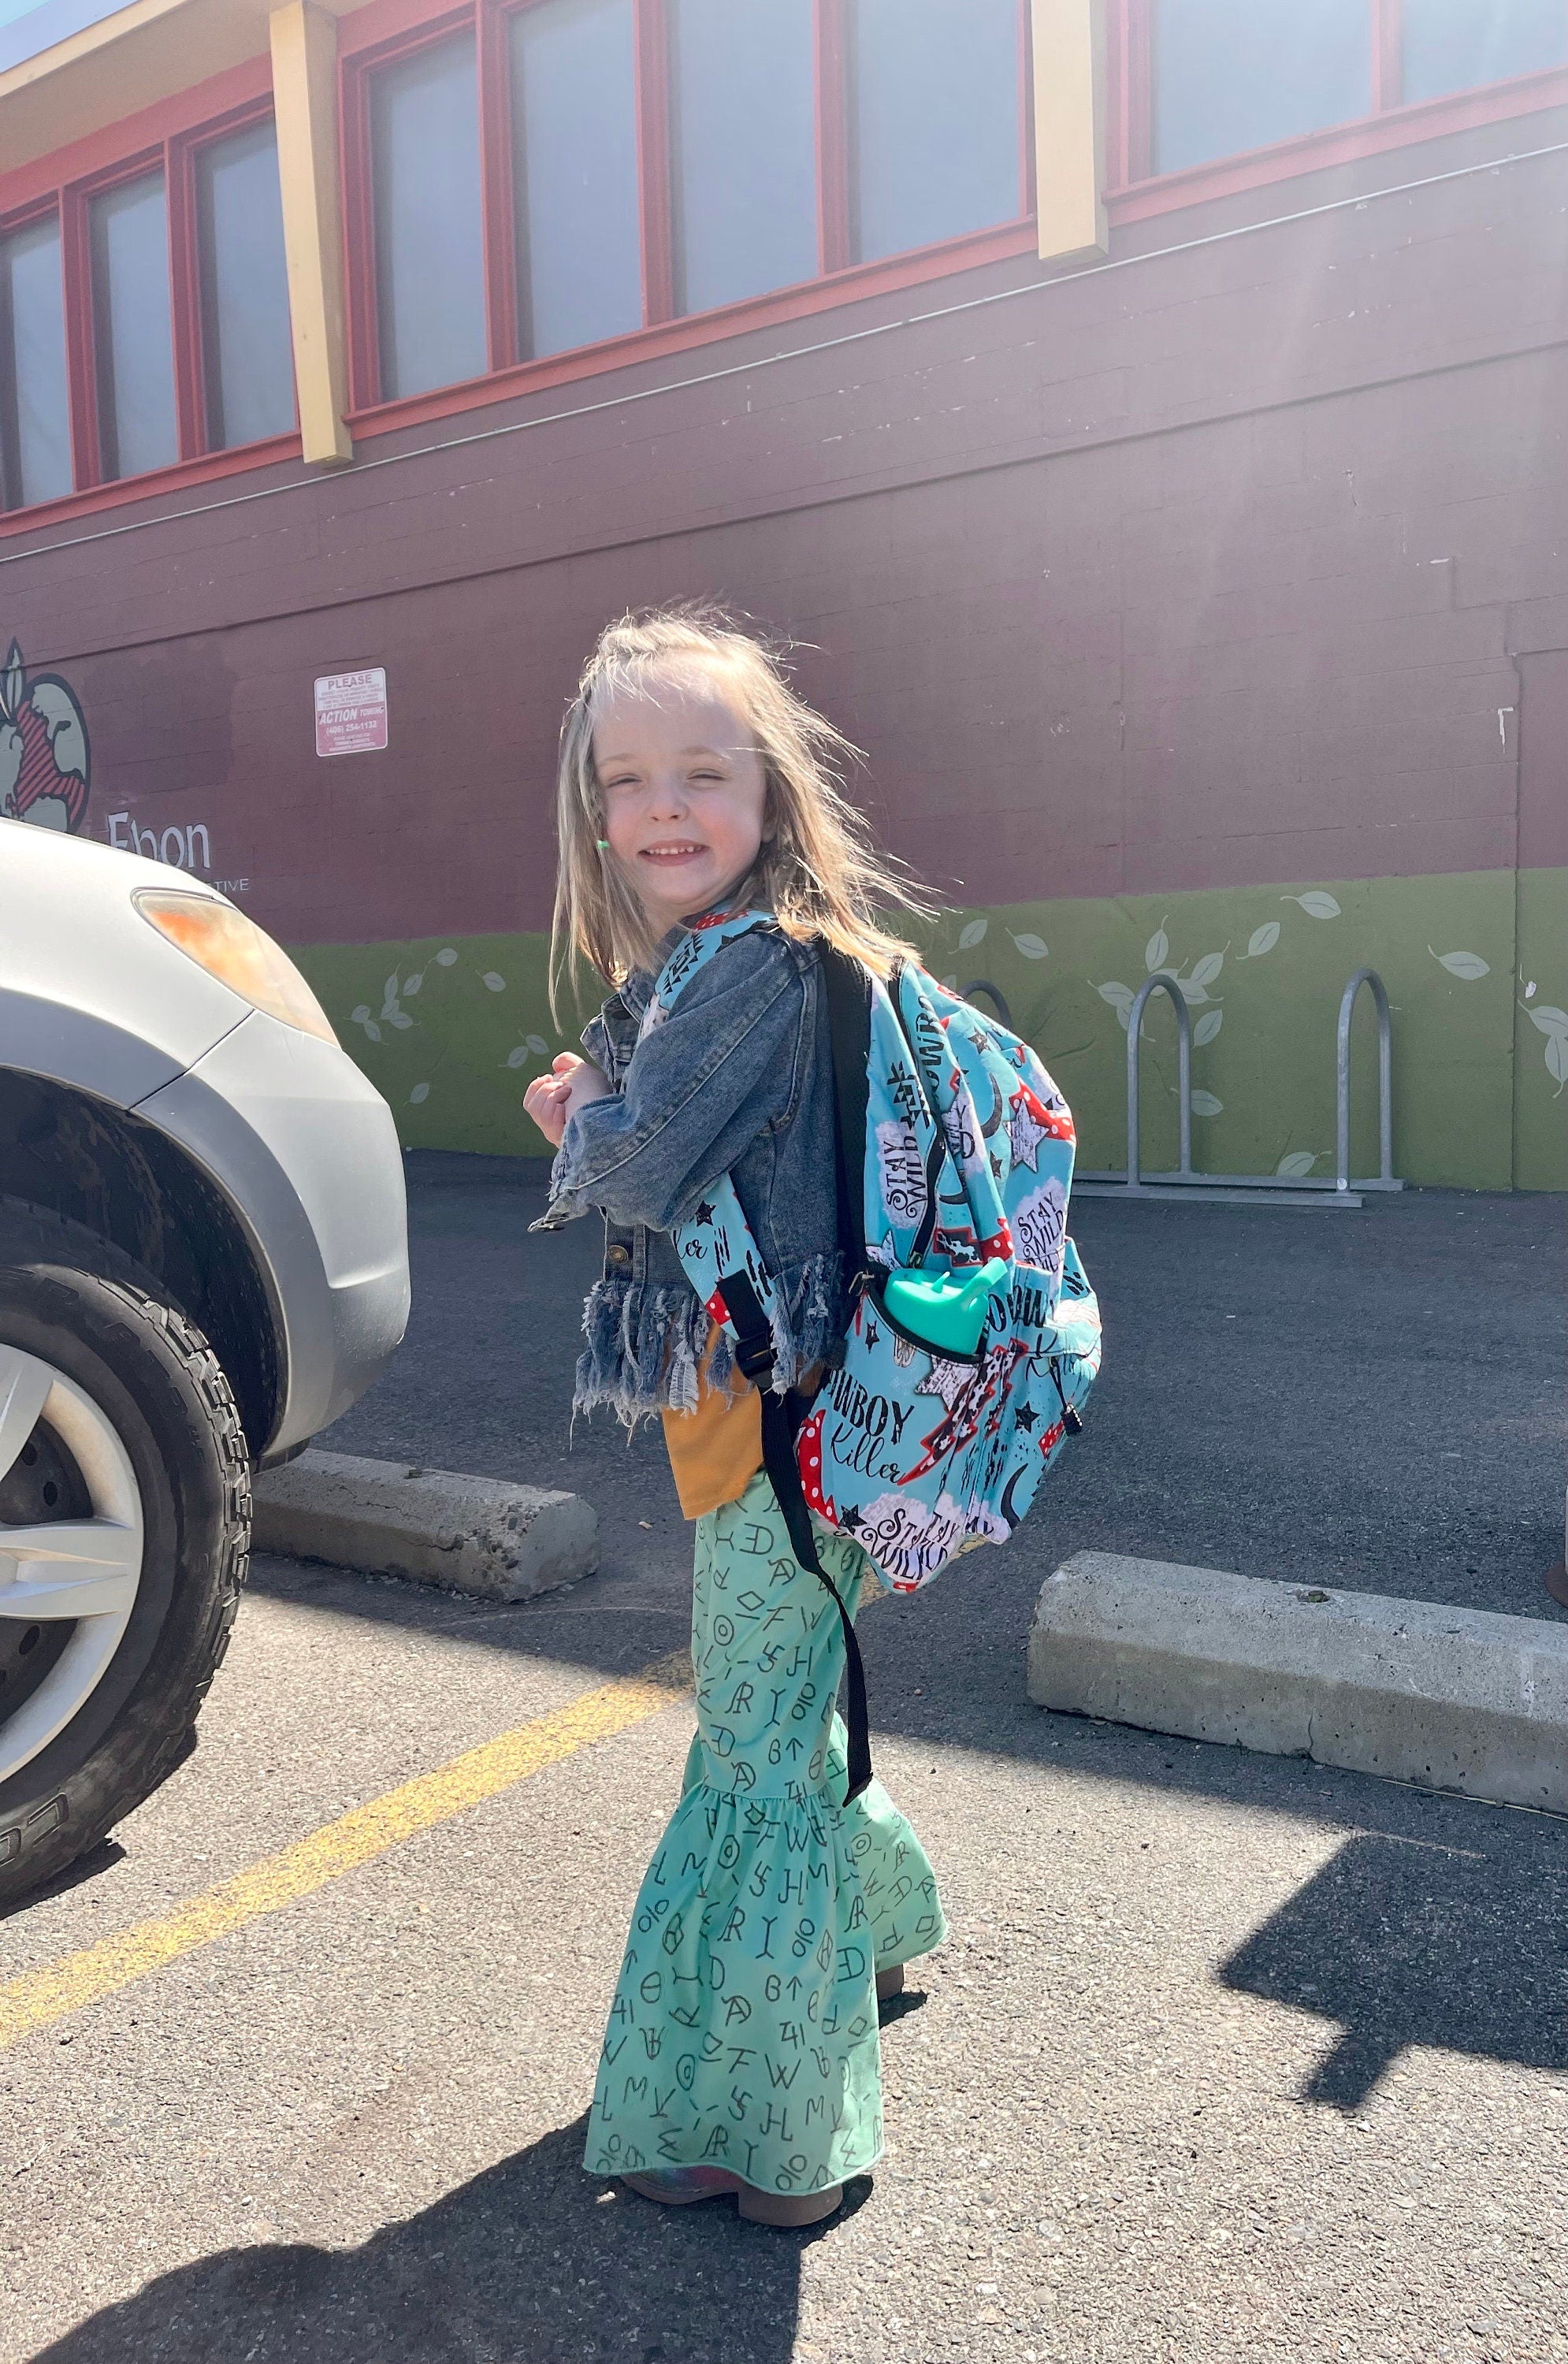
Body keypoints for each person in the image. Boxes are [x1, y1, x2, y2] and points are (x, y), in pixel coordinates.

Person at [524, 607, 947, 2228]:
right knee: (788, 1708)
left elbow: (636, 1168)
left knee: (752, 1755)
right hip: (813, 1415)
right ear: (593, 812)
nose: (664, 807)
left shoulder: (747, 963)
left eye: (702, 771)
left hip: (787, 1428)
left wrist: (581, 1109)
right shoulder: (723, 962)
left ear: (769, 789)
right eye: (627, 779)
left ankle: (764, 2129)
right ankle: (881, 1924)